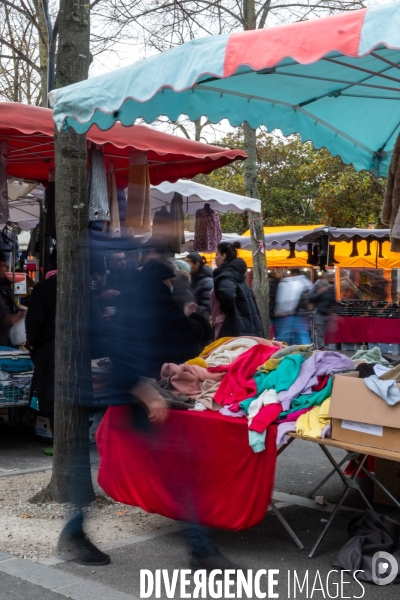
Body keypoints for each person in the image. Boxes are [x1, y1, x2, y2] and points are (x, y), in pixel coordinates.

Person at [125, 260, 212, 379]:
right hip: (161, 368)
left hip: (141, 365)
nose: (172, 285)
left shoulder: (134, 299)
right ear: (163, 280)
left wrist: (184, 314)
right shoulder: (162, 302)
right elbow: (186, 332)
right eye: (171, 281)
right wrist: (193, 315)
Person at [25, 270, 57, 456]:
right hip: (77, 349)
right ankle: (74, 441)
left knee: (52, 396)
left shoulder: (43, 289)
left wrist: (32, 343)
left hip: (49, 350)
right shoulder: (82, 287)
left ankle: (58, 442)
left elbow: (34, 321)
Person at [212, 241, 263, 339]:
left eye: (217, 254)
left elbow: (228, 295)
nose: (215, 258)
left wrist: (223, 310)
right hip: (244, 325)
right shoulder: (237, 275)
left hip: (231, 324)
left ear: (224, 255)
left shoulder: (226, 276)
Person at [274, 268, 312, 345]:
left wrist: (283, 309)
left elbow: (290, 298)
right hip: (303, 313)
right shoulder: (306, 282)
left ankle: (283, 351)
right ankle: (307, 351)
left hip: (290, 313)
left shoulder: (289, 282)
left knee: (285, 335)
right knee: (302, 334)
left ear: (292, 273)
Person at [0, 252, 24, 346]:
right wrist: (7, 319)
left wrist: (19, 313)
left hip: (6, 339)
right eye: (1, 265)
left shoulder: (5, 287)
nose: (3, 269)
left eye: (4, 266)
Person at [309, 273, 336, 350]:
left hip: (328, 313)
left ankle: (330, 346)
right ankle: (321, 347)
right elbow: (311, 298)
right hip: (319, 313)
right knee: (320, 332)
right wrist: (319, 292)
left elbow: (333, 300)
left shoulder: (331, 289)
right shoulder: (317, 287)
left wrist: (333, 310)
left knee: (331, 331)